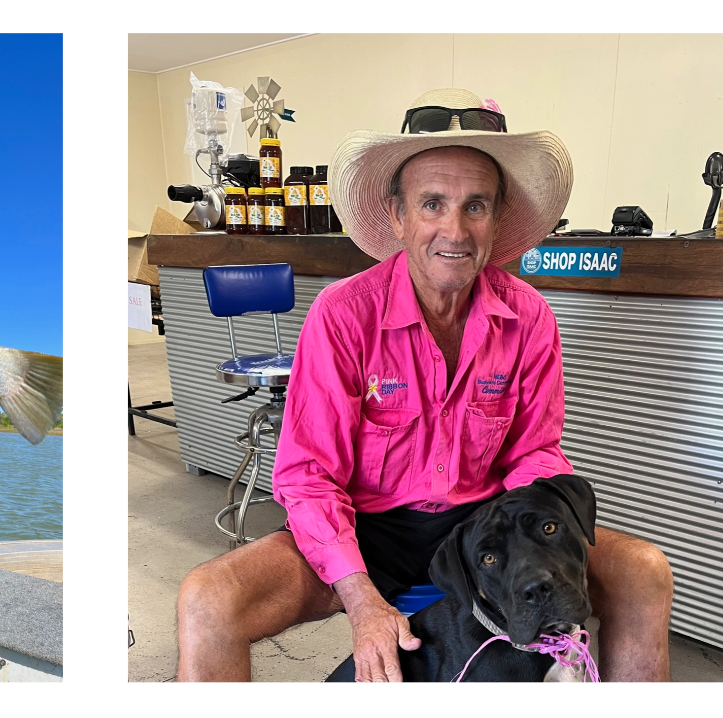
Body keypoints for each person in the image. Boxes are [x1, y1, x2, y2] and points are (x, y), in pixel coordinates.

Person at [176, 89, 674, 682]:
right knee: (209, 598)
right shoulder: (342, 314)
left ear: (497, 218)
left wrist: (536, 547)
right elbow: (309, 478)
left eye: (476, 206)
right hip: (364, 530)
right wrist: (361, 600)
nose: (454, 230)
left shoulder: (529, 316)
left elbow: (533, 454)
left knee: (643, 569)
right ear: (398, 216)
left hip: (479, 530)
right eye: (432, 203)